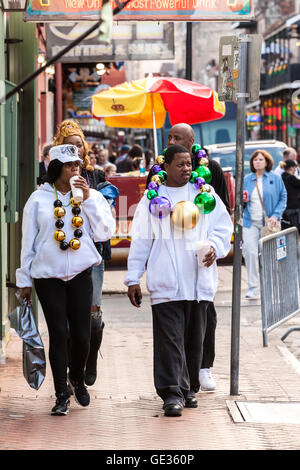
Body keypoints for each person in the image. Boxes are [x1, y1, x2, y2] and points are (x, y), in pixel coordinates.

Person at [125, 145, 233, 416]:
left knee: (193, 340)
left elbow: (223, 227)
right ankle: (172, 392)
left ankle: (189, 389)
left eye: (189, 164)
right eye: (181, 164)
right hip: (166, 281)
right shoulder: (153, 198)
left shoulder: (205, 195)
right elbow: (141, 239)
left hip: (198, 281)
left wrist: (214, 247)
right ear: (167, 166)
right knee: (170, 340)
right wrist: (133, 278)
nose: (187, 169)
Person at [16, 144, 116, 416]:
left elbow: (105, 231)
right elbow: (28, 243)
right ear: (56, 168)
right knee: (59, 334)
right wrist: (24, 279)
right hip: (48, 276)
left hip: (81, 273)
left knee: (82, 336)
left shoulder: (89, 195)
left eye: (78, 165)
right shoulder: (37, 200)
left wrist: (89, 200)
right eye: (70, 165)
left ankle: (78, 379)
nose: (76, 169)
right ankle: (62, 394)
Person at [146, 123, 230, 392]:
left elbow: (220, 211)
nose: (170, 140)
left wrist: (214, 245)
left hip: (199, 265)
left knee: (204, 322)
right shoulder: (157, 172)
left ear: (192, 141)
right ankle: (175, 386)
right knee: (173, 330)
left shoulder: (211, 171)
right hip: (169, 268)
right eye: (169, 137)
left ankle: (201, 370)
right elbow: (149, 212)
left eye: (177, 137)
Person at [52, 120, 106, 384]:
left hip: (92, 254)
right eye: (70, 146)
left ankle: (89, 360)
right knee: (69, 322)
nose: (77, 151)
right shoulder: (50, 180)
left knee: (92, 317)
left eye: (79, 145)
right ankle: (73, 373)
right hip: (64, 254)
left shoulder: (95, 176)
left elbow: (105, 221)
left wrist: (91, 196)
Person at [243, 150, 287, 299]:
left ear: (267, 162)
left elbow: (283, 197)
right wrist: (242, 199)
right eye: (255, 160)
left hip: (269, 223)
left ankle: (271, 285)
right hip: (250, 222)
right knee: (250, 252)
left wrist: (276, 215)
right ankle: (253, 287)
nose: (257, 162)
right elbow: (238, 198)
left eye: (261, 159)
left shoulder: (275, 178)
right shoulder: (247, 179)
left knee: (270, 255)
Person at [281, 159, 300, 233]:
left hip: (285, 207)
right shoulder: (292, 178)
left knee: (287, 230)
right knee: (295, 229)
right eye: (295, 167)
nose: (295, 169)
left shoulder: (282, 177)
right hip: (294, 208)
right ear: (292, 167)